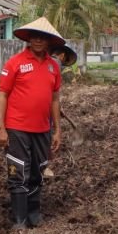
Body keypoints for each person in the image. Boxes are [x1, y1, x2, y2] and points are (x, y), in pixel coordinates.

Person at [0, 17, 65, 229]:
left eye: (42, 38)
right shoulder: (14, 63)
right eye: (34, 37)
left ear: (48, 42)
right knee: (18, 172)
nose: (37, 40)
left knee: (37, 171)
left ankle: (34, 214)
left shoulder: (53, 67)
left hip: (42, 129)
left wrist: (57, 130)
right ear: (28, 39)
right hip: (17, 127)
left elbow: (54, 99)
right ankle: (19, 219)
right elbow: (2, 95)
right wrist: (1, 128)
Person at [44, 44, 78, 179]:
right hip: (45, 106)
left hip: (41, 104)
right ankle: (43, 167)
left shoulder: (45, 61)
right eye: (65, 60)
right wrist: (55, 108)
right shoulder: (55, 63)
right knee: (46, 134)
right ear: (62, 55)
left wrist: (58, 107)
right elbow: (51, 90)